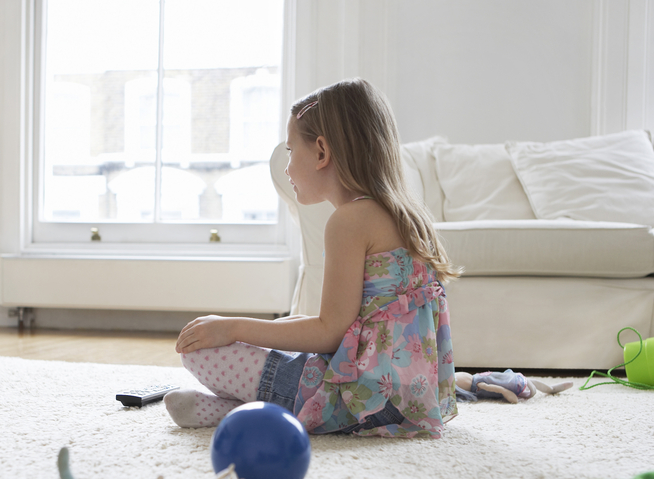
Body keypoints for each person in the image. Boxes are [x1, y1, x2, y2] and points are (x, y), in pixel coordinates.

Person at [164, 78, 460, 438]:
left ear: (321, 152)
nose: (287, 166)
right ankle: (236, 411)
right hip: (410, 398)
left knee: (200, 353)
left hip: (361, 401)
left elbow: (329, 332)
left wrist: (232, 327)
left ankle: (253, 411)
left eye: (290, 150)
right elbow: (352, 323)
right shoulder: (407, 214)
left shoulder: (349, 221)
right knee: (286, 348)